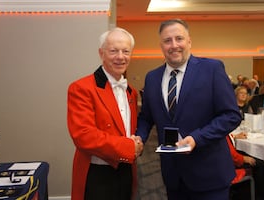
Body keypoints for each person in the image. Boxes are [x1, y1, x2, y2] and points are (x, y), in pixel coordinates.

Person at [136, 19, 242, 200]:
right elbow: (146, 117)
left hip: (210, 175)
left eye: (179, 38)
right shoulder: (152, 78)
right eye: (167, 40)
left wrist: (197, 138)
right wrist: (140, 137)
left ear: (189, 41)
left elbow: (231, 115)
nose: (174, 45)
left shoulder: (212, 69)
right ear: (161, 45)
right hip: (173, 176)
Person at [67, 27, 143, 200]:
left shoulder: (131, 92)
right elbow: (83, 136)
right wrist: (129, 147)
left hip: (126, 170)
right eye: (113, 51)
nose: (120, 57)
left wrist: (137, 141)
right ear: (101, 53)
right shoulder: (81, 88)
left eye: (126, 51)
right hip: (97, 174)